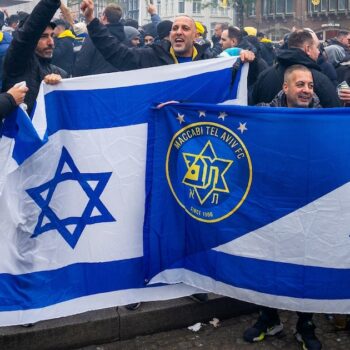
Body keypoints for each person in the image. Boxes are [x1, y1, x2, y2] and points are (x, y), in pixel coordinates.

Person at [244, 65, 322, 350]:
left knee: (306, 262)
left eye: (310, 85)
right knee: (269, 261)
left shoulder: (324, 118)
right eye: (300, 84)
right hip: (271, 202)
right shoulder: (264, 113)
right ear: (286, 88)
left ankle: (305, 323)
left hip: (309, 202)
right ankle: (269, 317)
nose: (306, 90)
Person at [80, 0, 254, 71]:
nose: (178, 31)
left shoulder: (208, 62)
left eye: (185, 28)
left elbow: (239, 79)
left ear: (195, 36)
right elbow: (116, 52)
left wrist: (249, 60)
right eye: (175, 28)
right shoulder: (151, 56)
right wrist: (91, 21)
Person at [2, 0, 67, 116]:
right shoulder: (18, 62)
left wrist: (59, 83)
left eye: (52, 36)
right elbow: (28, 35)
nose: (51, 42)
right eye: (43, 36)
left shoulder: (59, 72)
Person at [250, 29, 340, 108]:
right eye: (317, 47)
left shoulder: (265, 75)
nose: (318, 52)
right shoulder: (320, 80)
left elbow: (252, 109)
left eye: (310, 86)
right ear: (307, 49)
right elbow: (334, 115)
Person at [73, 3, 125, 76]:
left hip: (96, 81)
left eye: (100, 15)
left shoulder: (94, 37)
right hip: (118, 82)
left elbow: (82, 63)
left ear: (104, 17)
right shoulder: (126, 37)